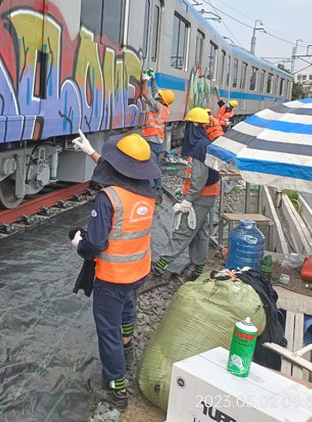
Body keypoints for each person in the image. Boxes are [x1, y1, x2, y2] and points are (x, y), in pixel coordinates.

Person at [71, 131, 160, 410]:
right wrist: (90, 152)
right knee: (126, 312)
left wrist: (78, 244)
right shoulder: (149, 189)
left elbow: (95, 243)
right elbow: (122, 175)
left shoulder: (107, 198)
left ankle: (116, 388)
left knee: (106, 329)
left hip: (112, 277)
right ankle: (127, 349)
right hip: (138, 271)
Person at [146, 107, 219, 288]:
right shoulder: (204, 143)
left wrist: (188, 200)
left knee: (184, 231)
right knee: (200, 233)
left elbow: (199, 178)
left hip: (200, 197)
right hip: (206, 195)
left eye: (187, 125)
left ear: (194, 126)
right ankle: (198, 268)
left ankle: (160, 266)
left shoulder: (200, 147)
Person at [141, 73, 175, 203]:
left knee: (150, 167)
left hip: (151, 140)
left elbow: (145, 93)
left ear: (161, 99)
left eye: (159, 96)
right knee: (155, 167)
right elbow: (155, 92)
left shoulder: (156, 106)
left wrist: (145, 80)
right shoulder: (164, 108)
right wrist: (153, 79)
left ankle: (152, 192)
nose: (157, 95)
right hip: (156, 141)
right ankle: (157, 192)